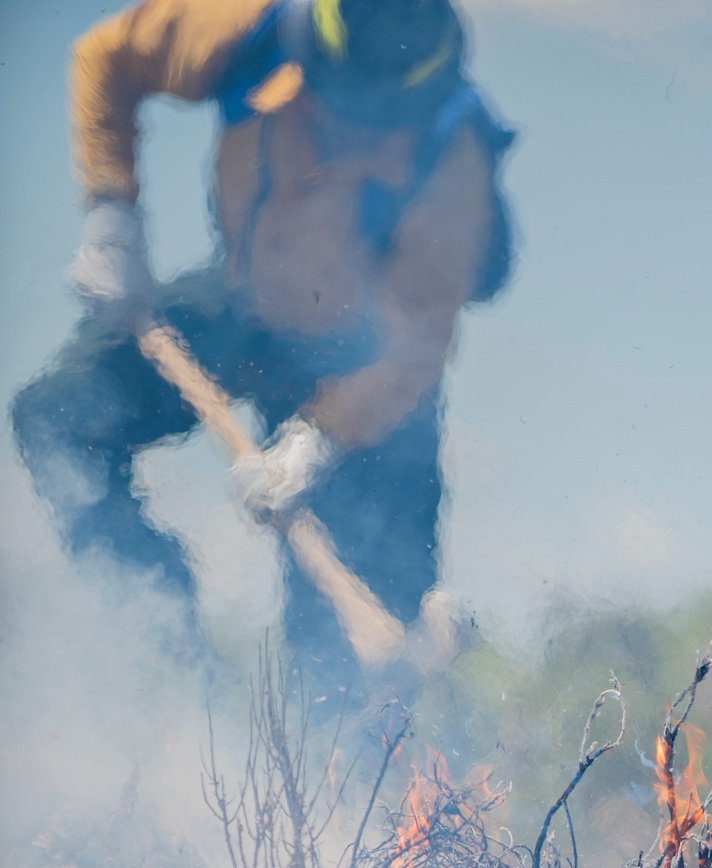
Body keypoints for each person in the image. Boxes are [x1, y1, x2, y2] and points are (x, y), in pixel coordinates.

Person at [12, 0, 515, 688]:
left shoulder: (454, 157)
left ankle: (351, 765)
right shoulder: (249, 28)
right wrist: (112, 211)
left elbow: (418, 342)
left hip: (369, 371)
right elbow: (107, 55)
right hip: (246, 309)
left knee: (339, 678)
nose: (339, 130)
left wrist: (320, 440)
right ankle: (174, 654)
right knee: (59, 419)